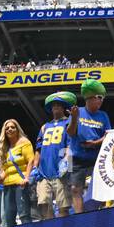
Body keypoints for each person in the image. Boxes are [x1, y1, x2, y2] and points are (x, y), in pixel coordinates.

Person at [66, 79, 110, 214]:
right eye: (99, 98)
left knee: (98, 188)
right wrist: (74, 118)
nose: (101, 101)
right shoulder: (77, 112)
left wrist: (95, 143)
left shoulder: (103, 115)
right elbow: (70, 132)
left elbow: (108, 135)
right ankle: (80, 216)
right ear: (89, 98)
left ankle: (97, 213)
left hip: (96, 158)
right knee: (75, 188)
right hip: (77, 157)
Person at [31, 92, 75, 220]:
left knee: (63, 205)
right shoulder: (45, 127)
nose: (55, 107)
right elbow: (38, 149)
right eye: (53, 105)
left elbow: (71, 145)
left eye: (58, 105)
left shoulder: (68, 123)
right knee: (43, 203)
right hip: (44, 172)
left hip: (61, 170)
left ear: (63, 107)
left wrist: (67, 163)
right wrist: (35, 167)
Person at [0, 119, 35, 227]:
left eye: (12, 127)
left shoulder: (24, 142)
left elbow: (30, 161)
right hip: (8, 185)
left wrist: (26, 178)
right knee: (9, 218)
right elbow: (5, 170)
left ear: (17, 129)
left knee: (24, 215)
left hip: (21, 183)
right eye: (7, 128)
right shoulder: (4, 148)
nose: (10, 129)